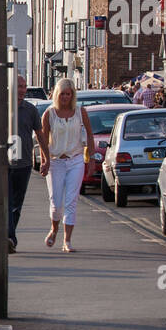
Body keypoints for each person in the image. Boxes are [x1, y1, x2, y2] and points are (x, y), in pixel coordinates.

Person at [38, 78, 94, 252]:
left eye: (68, 94)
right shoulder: (49, 113)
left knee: (71, 201)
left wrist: (90, 159)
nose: (65, 97)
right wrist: (45, 161)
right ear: (57, 94)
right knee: (56, 203)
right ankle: (54, 229)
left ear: (72, 95)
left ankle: (67, 241)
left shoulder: (80, 112)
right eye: (62, 94)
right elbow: (43, 140)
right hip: (56, 162)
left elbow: (90, 136)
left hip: (75, 160)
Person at [6, 75, 49, 253]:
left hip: (24, 163)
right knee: (6, 203)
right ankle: (10, 238)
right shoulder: (1, 107)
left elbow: (40, 135)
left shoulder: (30, 110)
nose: (22, 89)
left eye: (24, 86)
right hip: (3, 163)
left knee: (17, 204)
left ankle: (9, 236)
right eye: (19, 86)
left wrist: (46, 157)